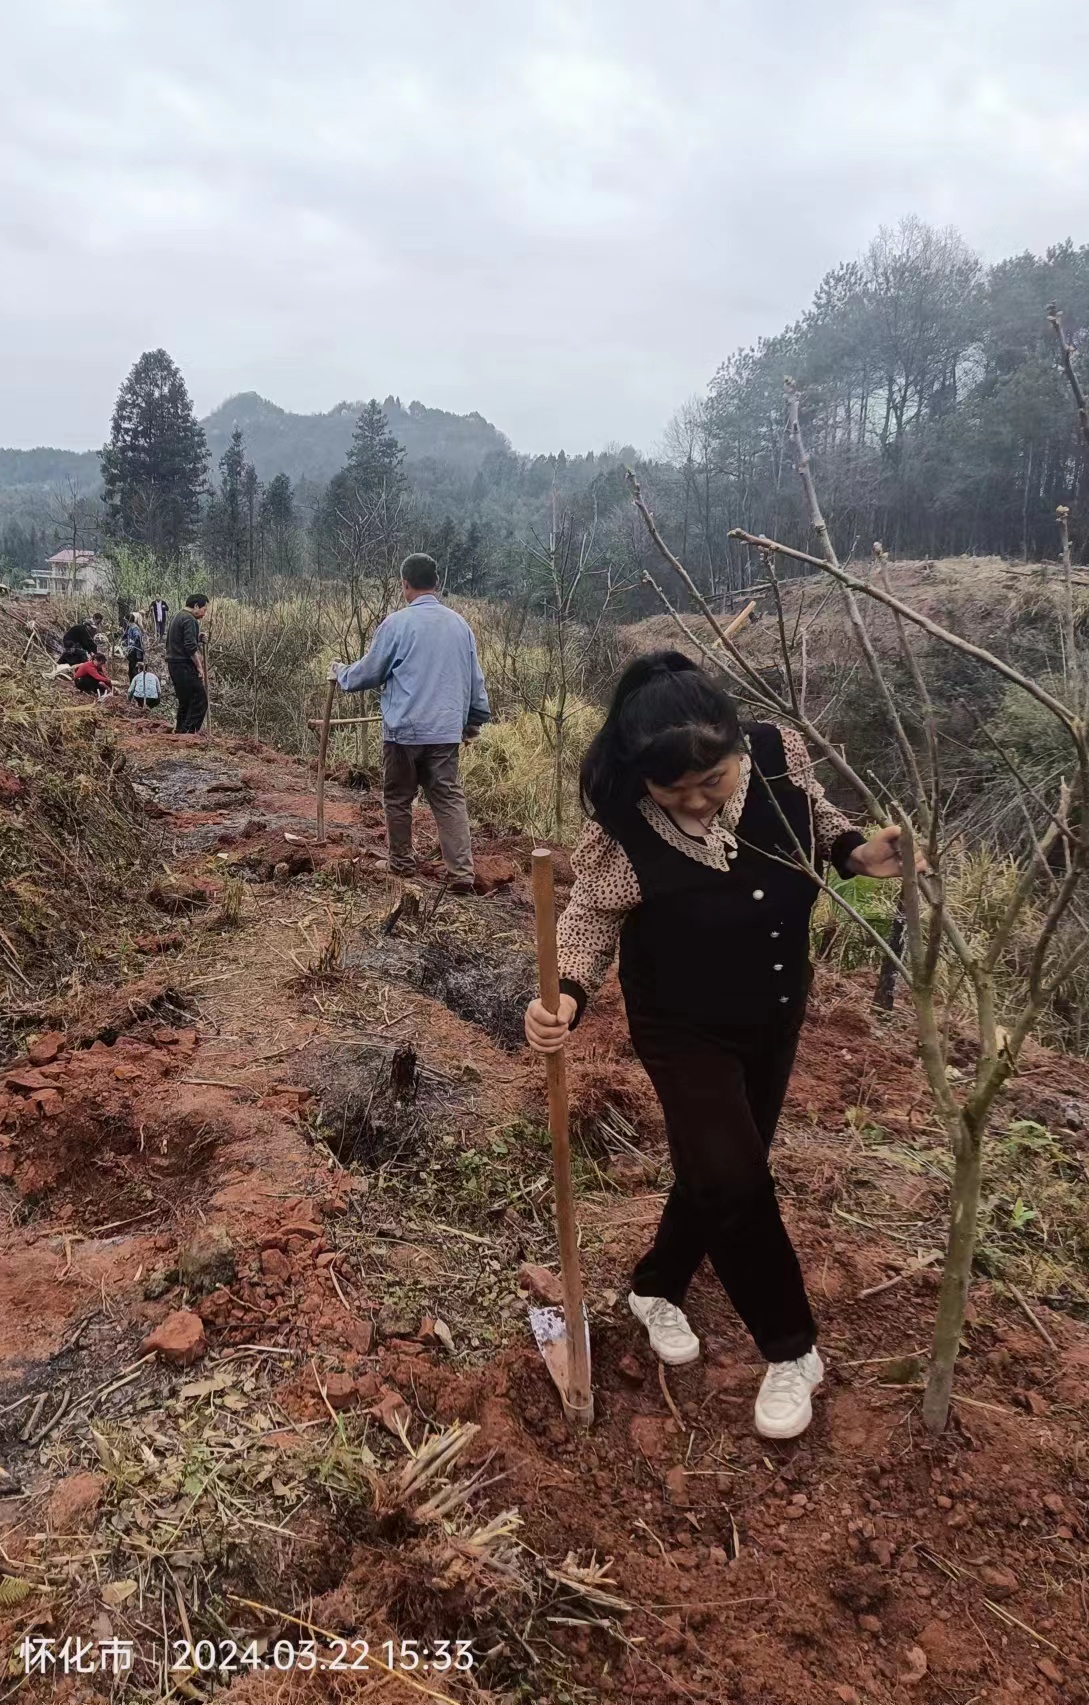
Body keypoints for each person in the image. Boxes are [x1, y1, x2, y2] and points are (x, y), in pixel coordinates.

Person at [524, 652, 915, 1441]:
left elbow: (822, 826)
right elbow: (592, 917)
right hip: (679, 1020)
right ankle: (792, 1347)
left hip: (773, 1007)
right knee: (733, 1175)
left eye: (715, 781)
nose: (699, 803)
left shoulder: (776, 757)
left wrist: (859, 856)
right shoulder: (622, 825)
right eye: (678, 793)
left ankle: (656, 1284)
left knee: (719, 1166)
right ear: (644, 781)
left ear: (740, 749)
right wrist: (561, 993)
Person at [331, 553, 489, 893]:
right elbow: (476, 680)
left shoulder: (397, 624)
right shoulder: (460, 626)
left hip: (404, 732)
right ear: (437, 583)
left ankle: (401, 862)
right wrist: (474, 719)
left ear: (405, 584)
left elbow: (369, 672)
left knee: (399, 797)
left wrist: (340, 673)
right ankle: (461, 873)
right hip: (446, 731)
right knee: (448, 798)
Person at [166, 594, 209, 734]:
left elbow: (181, 638)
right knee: (199, 699)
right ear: (196, 606)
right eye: (204, 609)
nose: (204, 613)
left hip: (173, 663)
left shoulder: (178, 616)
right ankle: (189, 732)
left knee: (185, 699)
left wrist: (198, 637)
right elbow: (190, 647)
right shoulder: (190, 619)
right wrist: (199, 667)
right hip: (183, 664)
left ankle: (180, 730)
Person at [122, 615, 147, 682]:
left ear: (127, 621)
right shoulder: (130, 628)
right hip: (133, 653)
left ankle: (136, 685)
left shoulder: (134, 628)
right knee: (131, 670)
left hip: (136, 653)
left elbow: (137, 637)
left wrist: (132, 645)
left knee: (135, 670)